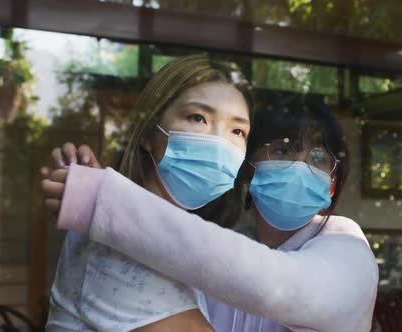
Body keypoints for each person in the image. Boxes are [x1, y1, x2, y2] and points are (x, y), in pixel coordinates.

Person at [44, 97, 379, 331]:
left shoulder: (346, 245)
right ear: (247, 168)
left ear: (332, 183)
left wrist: (105, 201)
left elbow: (276, 285)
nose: (299, 165)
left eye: (318, 157)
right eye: (283, 149)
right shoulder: (218, 248)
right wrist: (98, 197)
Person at [42, 54, 251, 331]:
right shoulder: (117, 240)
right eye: (198, 118)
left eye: (237, 130)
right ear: (148, 134)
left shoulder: (169, 239)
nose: (219, 142)